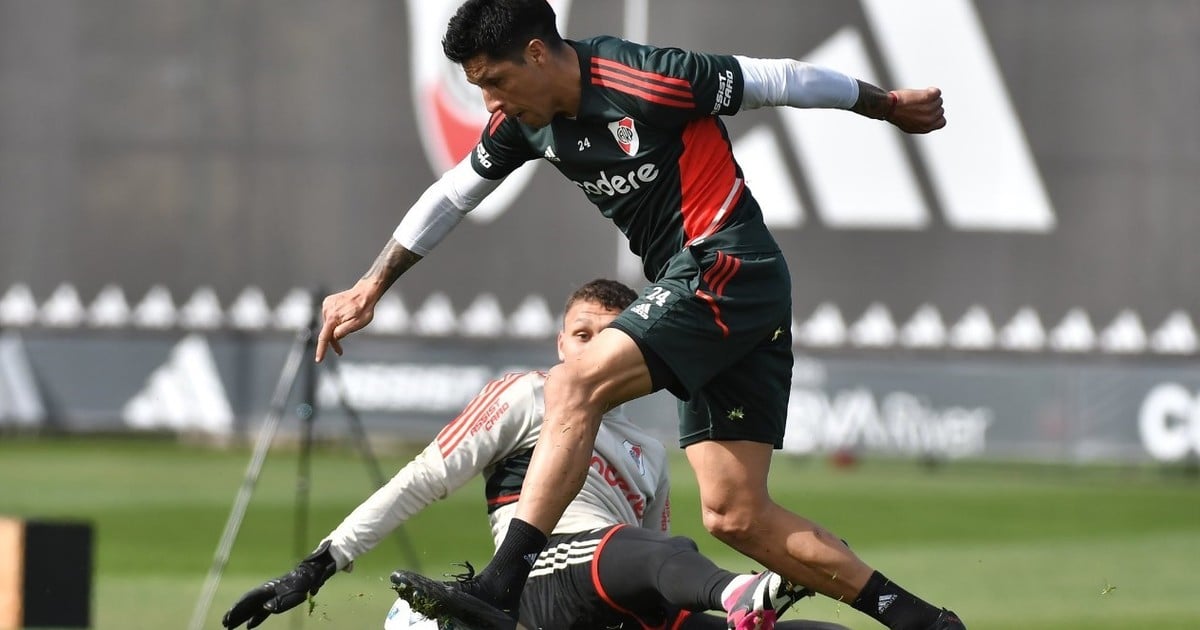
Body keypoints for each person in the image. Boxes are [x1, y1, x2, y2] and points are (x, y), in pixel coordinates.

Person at [315, 1, 961, 628]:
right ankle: (922, 622)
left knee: (572, 385)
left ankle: (501, 586)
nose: (489, 104)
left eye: (495, 82)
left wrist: (884, 105)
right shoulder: (526, 121)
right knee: (736, 515)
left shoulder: (644, 78)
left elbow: (779, 78)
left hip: (725, 263)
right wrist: (371, 286)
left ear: (536, 54)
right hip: (719, 292)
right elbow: (453, 194)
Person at [223, 279, 847, 630]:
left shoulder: (650, 452)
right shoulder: (528, 393)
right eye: (581, 335)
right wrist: (320, 564)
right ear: (560, 343)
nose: (593, 349)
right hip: (540, 576)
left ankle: (758, 603)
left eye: (612, 337)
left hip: (606, 595)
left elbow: (654, 573)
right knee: (657, 551)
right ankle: (745, 592)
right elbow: (422, 478)